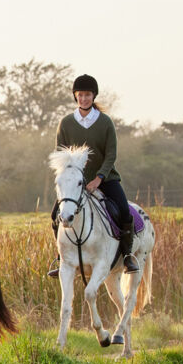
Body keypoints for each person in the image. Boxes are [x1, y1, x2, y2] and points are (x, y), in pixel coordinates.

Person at [47, 74, 139, 276]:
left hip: (105, 179)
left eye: (87, 95)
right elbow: (61, 155)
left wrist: (99, 178)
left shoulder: (105, 122)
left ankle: (127, 255)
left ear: (93, 96)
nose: (84, 98)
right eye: (80, 95)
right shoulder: (66, 123)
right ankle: (61, 257)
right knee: (55, 215)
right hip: (75, 184)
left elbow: (111, 154)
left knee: (124, 210)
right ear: (75, 96)